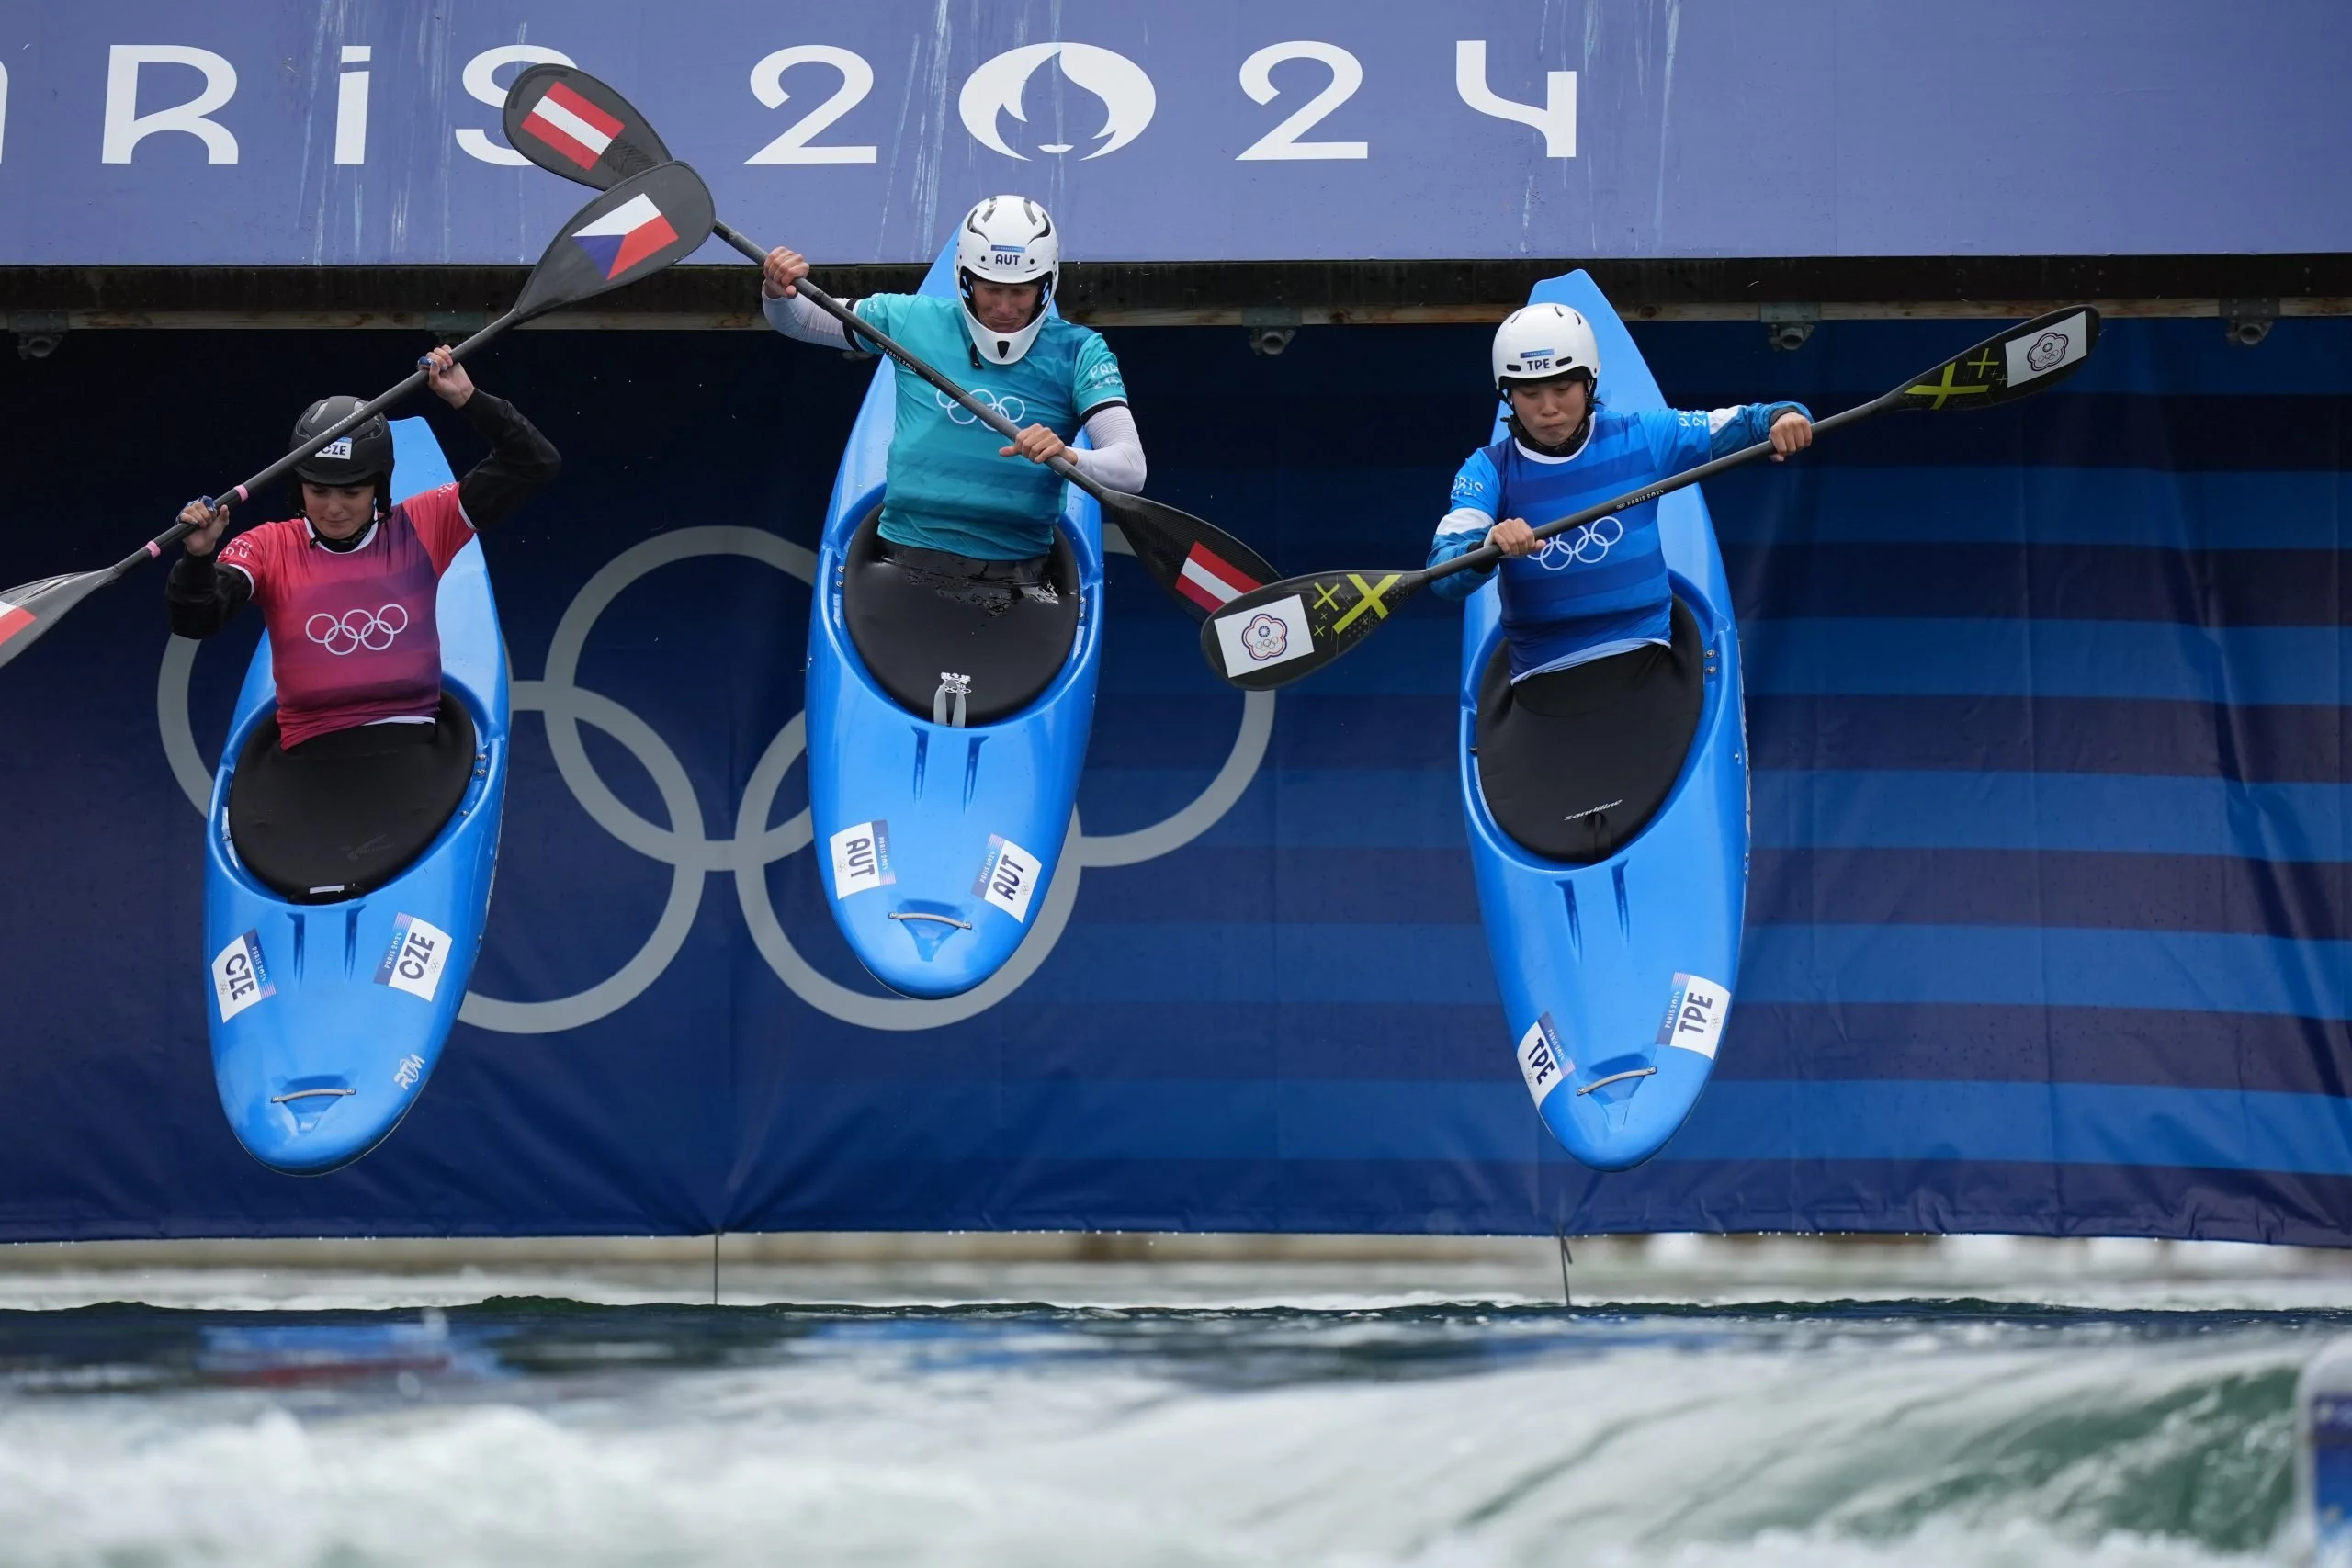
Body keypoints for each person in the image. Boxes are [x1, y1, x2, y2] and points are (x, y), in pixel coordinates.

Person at [164, 347, 560, 897]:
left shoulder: (425, 524)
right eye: (318, 490)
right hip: (309, 761)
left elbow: (534, 464)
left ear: (379, 485)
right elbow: (196, 619)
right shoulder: (267, 545)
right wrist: (198, 558)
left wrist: (467, 399)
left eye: (351, 490)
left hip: (412, 752)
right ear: (297, 486)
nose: (333, 507)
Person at [1431, 302, 1814, 862]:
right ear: (1506, 396)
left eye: (1562, 388)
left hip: (1646, 662)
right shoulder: (1488, 470)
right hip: (1542, 681)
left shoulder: (1642, 438)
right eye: (1529, 393)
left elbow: (1747, 423)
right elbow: (1446, 568)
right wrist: (1485, 551)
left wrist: (1785, 415)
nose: (1548, 408)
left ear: (1589, 383)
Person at [758, 194, 1144, 587]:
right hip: (901, 560)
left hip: (1021, 578)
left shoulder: (1081, 351)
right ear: (964, 279)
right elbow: (799, 321)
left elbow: (1130, 469)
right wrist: (777, 289)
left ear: (1046, 285)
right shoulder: (910, 320)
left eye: (1021, 291)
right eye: (991, 289)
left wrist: (1069, 457)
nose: (1006, 308)